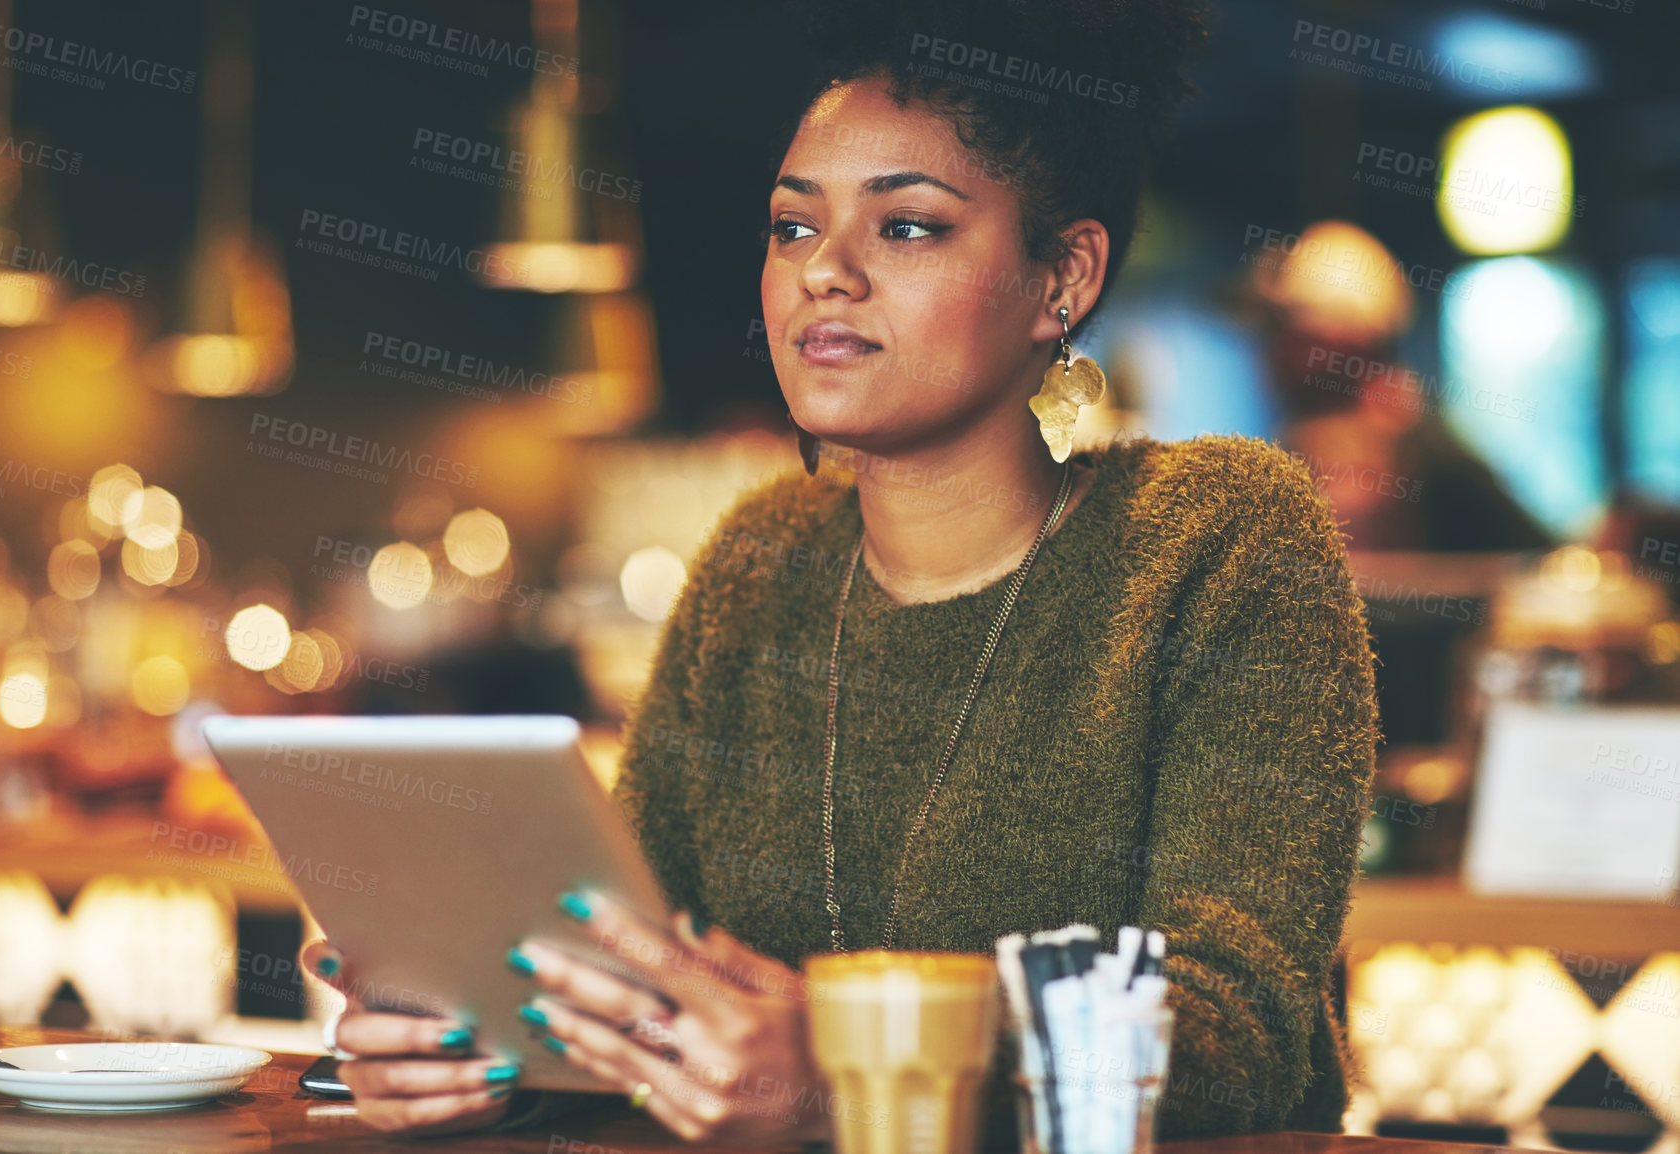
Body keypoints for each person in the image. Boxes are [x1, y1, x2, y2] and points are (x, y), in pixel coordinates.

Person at [304, 0, 1381, 1145]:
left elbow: (1240, 1036)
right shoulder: (759, 562)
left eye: (907, 226)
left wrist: (843, 1068)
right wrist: (486, 1050)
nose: (826, 272)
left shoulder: (1216, 539)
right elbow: (635, 963)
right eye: (790, 227)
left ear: (1062, 277)